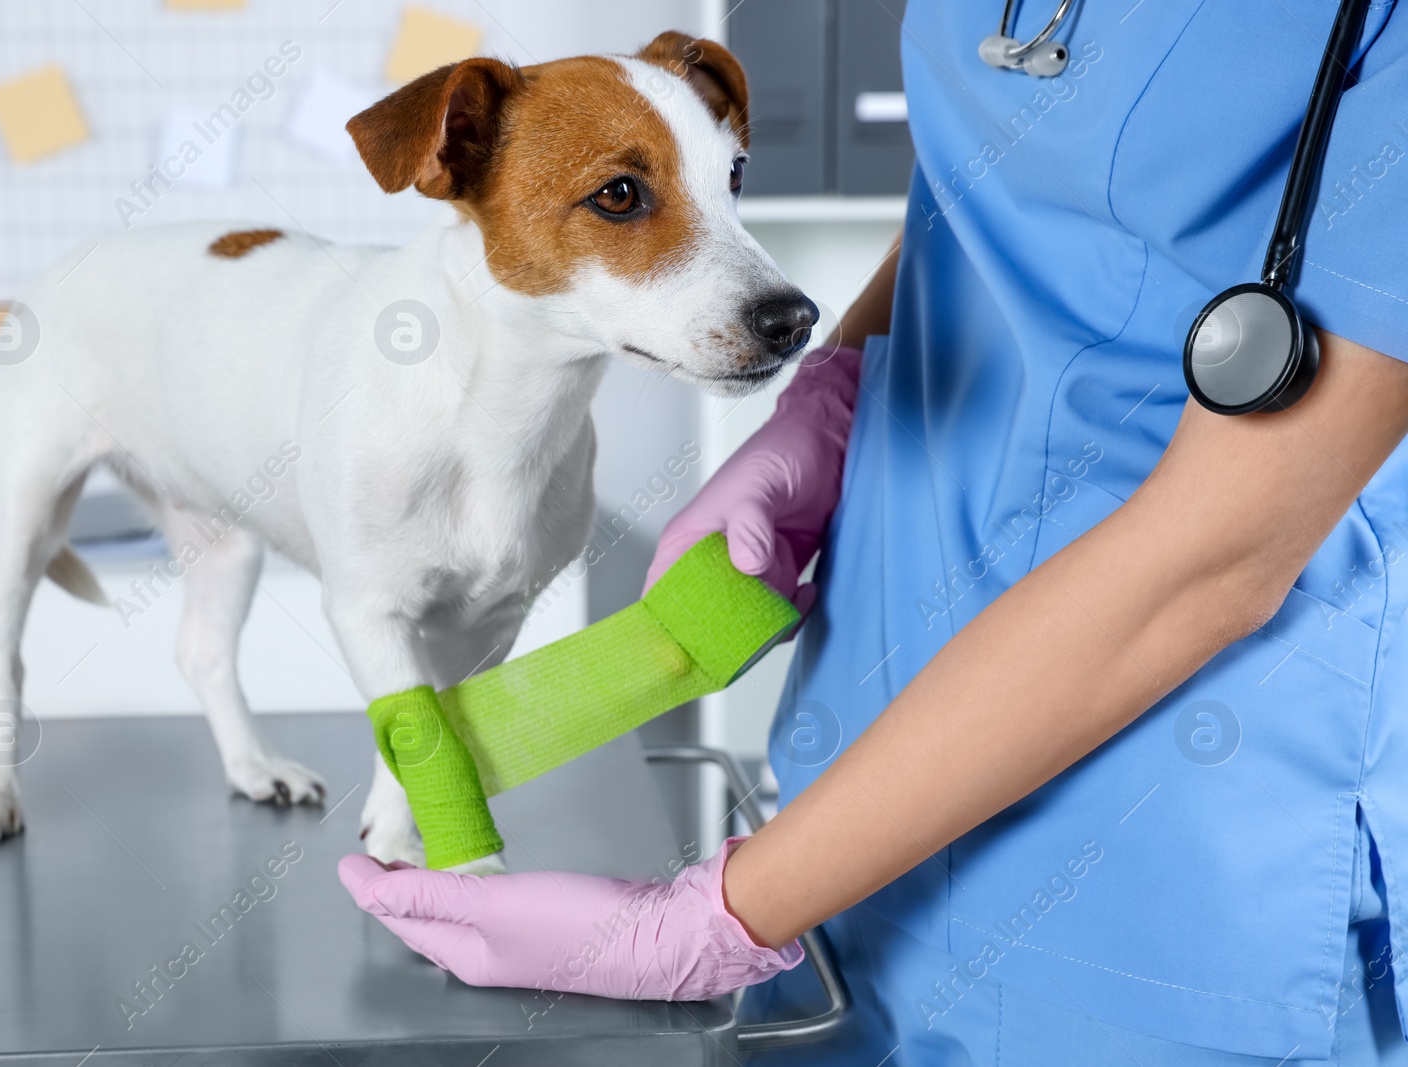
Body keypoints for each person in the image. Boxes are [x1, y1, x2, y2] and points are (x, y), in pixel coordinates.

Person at [340, 3, 1408, 1062]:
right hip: (862, 764)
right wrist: (831, 394)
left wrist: (709, 918)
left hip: (1174, 829)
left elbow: (1215, 556)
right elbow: (989, 187)